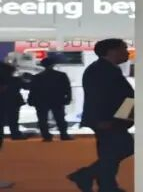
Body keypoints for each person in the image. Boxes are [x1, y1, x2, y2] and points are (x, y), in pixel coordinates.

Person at [67, 40, 134, 192]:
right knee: (124, 148)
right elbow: (98, 97)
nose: (127, 52)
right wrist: (102, 120)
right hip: (108, 119)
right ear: (111, 51)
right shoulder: (99, 70)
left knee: (110, 152)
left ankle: (106, 185)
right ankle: (86, 176)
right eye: (123, 49)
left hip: (115, 119)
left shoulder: (107, 68)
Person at [29, 57, 73, 141]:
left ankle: (46, 136)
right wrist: (68, 98)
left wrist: (31, 100)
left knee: (42, 119)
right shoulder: (61, 75)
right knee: (60, 118)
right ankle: (63, 134)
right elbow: (67, 88)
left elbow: (33, 90)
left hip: (41, 100)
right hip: (57, 99)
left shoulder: (37, 77)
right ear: (53, 65)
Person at [0, 64, 26, 143]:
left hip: (2, 102)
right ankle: (15, 134)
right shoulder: (16, 80)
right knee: (13, 120)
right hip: (14, 102)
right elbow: (26, 86)